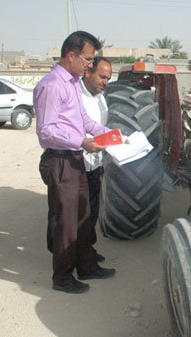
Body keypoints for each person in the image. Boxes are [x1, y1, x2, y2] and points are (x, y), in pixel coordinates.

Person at [35, 31, 115, 294]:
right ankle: (62, 278)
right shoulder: (52, 86)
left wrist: (111, 136)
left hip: (75, 159)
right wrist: (82, 142)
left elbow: (84, 121)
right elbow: (46, 131)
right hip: (61, 161)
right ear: (71, 55)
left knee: (83, 218)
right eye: (88, 60)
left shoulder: (70, 83)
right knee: (66, 224)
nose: (90, 65)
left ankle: (86, 266)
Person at [80, 57, 112, 262]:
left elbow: (100, 129)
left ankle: (86, 251)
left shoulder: (101, 98)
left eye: (108, 78)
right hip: (76, 165)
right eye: (102, 77)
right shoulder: (75, 96)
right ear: (88, 72)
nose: (105, 82)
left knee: (91, 213)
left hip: (94, 165)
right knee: (77, 216)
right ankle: (70, 257)